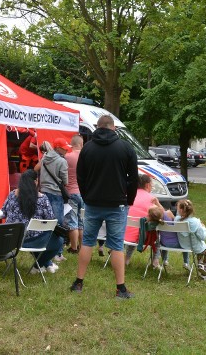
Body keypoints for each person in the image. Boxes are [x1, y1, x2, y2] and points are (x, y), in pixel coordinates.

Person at [71, 115, 138, 299]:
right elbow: (133, 178)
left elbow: (80, 177)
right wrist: (129, 199)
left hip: (93, 202)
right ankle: (120, 289)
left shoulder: (87, 149)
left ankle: (78, 282)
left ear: (97, 127)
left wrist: (87, 196)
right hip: (117, 204)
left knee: (87, 242)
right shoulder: (125, 148)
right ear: (113, 128)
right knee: (116, 245)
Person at [3, 169, 63, 273]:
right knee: (58, 241)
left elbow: (4, 211)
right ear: (36, 181)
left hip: (12, 239)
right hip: (31, 241)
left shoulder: (12, 195)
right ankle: (37, 265)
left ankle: (47, 264)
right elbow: (50, 220)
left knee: (38, 236)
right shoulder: (42, 198)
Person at [38, 137, 72, 262]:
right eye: (64, 149)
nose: (66, 151)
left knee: (45, 222)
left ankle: (42, 247)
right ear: (58, 148)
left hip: (44, 193)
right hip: (56, 194)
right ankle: (57, 253)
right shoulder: (62, 161)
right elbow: (66, 181)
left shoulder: (44, 158)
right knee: (58, 224)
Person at [124, 174, 162, 267]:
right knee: (161, 238)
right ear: (147, 185)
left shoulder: (130, 196)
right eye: (152, 184)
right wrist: (158, 203)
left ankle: (127, 259)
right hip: (142, 238)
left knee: (136, 229)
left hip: (124, 235)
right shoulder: (151, 199)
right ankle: (155, 261)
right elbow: (162, 214)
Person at [175, 199, 206, 281]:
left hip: (184, 245)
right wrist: (203, 227)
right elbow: (203, 237)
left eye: (177, 207)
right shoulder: (195, 222)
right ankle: (204, 270)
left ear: (181, 210)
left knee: (200, 251)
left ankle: (200, 265)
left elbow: (179, 217)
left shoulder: (177, 220)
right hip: (194, 247)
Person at [64, 134, 84, 254]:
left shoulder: (67, 157)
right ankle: (83, 247)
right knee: (81, 221)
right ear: (81, 144)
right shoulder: (86, 157)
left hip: (71, 192)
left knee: (73, 221)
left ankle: (74, 248)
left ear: (71, 145)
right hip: (83, 193)